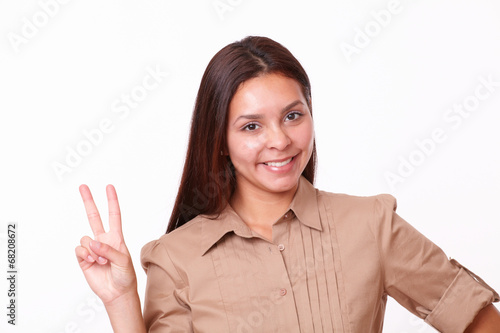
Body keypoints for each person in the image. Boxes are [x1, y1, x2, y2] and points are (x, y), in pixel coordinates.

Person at [75, 36, 500, 332]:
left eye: (293, 116)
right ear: (219, 141)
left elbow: (476, 318)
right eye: (251, 126)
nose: (279, 141)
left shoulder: (370, 225)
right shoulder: (175, 258)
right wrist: (120, 300)